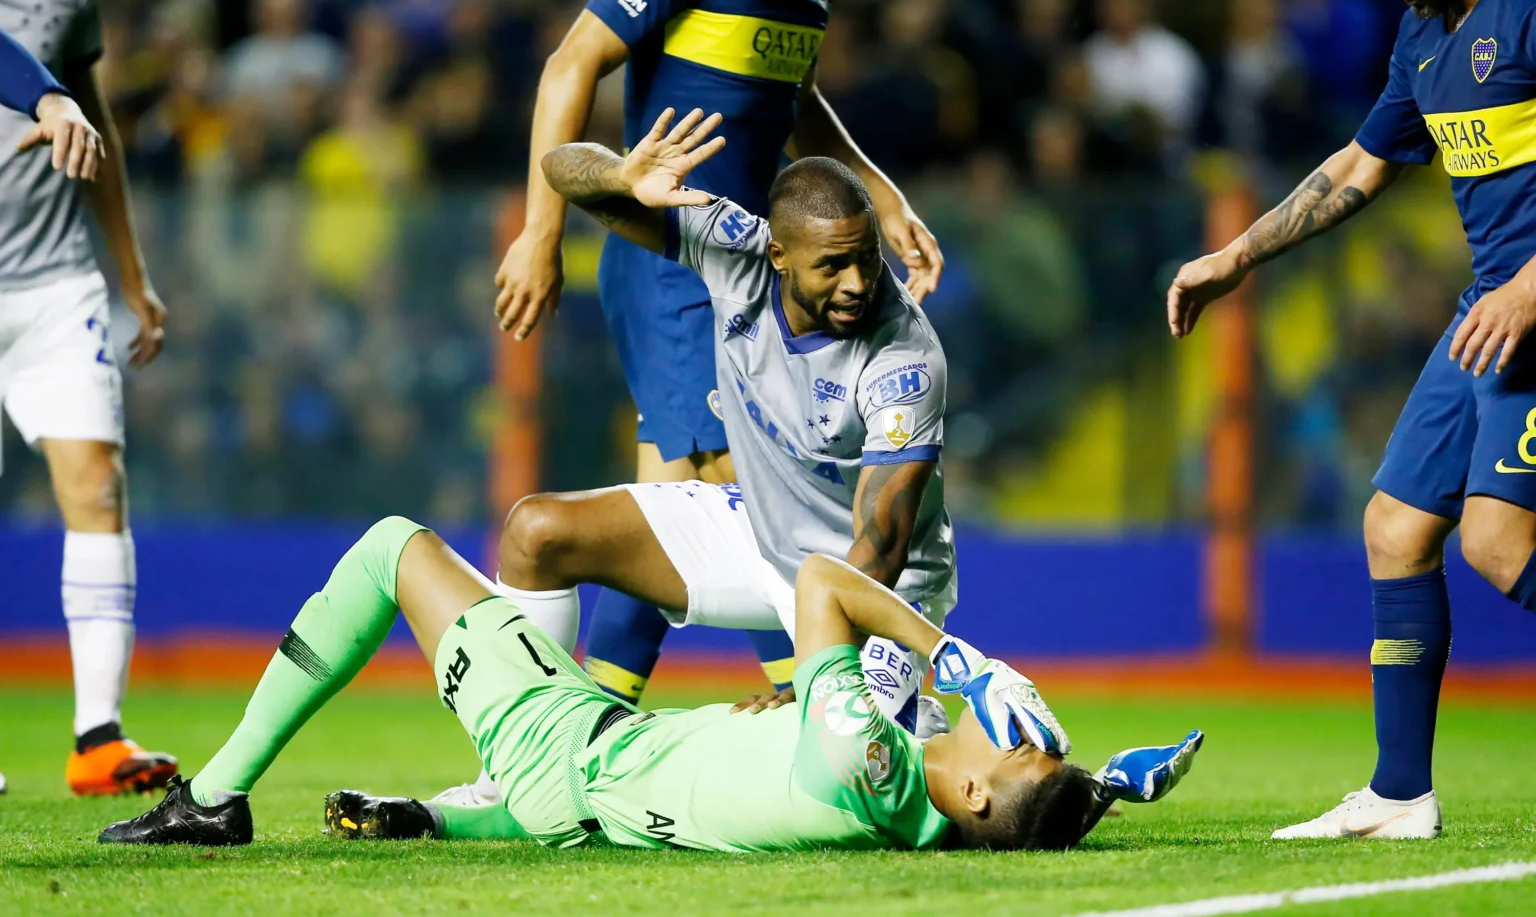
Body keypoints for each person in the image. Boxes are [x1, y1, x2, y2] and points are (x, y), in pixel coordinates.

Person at [490, 0, 944, 724]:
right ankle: (825, 702)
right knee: (751, 488)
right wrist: (539, 232)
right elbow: (569, 63)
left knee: (674, 506)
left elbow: (793, 100)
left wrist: (878, 192)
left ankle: (579, 728)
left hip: (750, 267)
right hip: (676, 270)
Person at [98, 516, 1203, 850]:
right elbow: (1016, 813)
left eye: (1007, 747)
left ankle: (215, 796)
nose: (989, 728)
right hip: (580, 788)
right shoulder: (916, 794)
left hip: (569, 748)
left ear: (969, 796)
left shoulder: (869, 760)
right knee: (560, 768)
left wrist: (961, 657)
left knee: (397, 548)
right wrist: (1097, 783)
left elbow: (821, 580)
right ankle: (435, 815)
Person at [1166, 0, 1536, 840]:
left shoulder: (1532, 2)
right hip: (1491, 317)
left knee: (1496, 545)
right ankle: (1401, 797)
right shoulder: (1423, 33)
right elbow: (1361, 167)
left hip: (1528, 306)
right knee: (1396, 527)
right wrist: (1234, 258)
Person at [0, 0, 173, 796]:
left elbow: (89, 114)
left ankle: (97, 738)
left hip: (52, 278)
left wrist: (131, 273)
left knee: (97, 482)